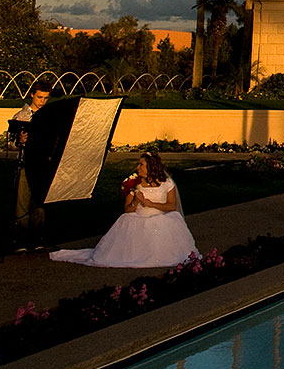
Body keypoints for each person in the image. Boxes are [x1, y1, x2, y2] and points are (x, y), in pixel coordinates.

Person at [50, 150, 198, 268]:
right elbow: (127, 209)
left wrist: (150, 203)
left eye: (141, 165)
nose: (138, 167)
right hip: (138, 217)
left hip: (160, 216)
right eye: (138, 164)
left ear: (151, 167)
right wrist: (135, 200)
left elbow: (171, 206)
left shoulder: (166, 183)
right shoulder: (134, 183)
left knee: (168, 222)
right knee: (129, 221)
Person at [11, 80, 53, 250]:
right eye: (39, 97)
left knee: (40, 203)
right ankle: (21, 239)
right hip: (25, 164)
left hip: (43, 164)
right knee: (22, 201)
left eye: (45, 98)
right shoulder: (21, 116)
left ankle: (37, 239)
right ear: (32, 95)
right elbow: (10, 143)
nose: (42, 101)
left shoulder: (50, 116)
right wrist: (19, 141)